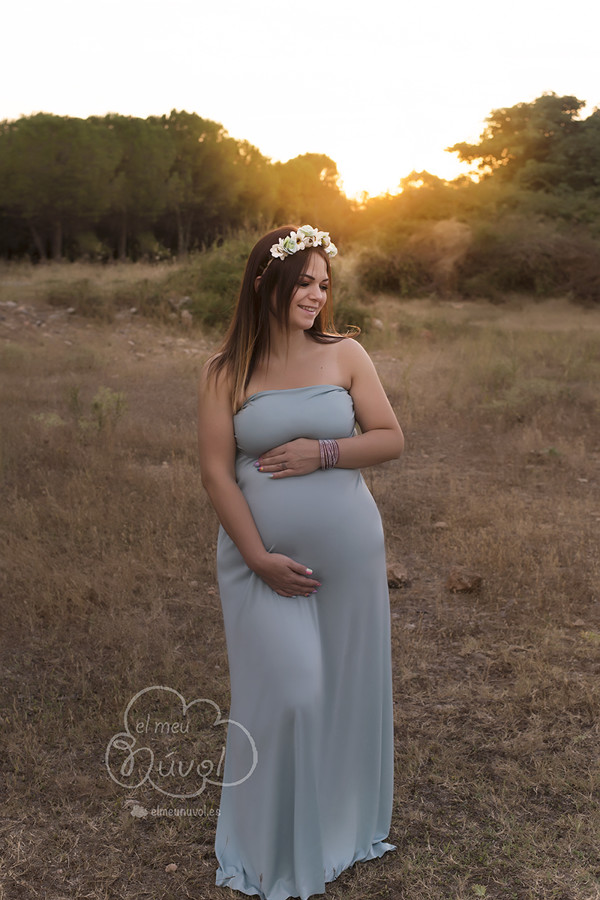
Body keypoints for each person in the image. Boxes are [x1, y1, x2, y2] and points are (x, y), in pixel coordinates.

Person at [197, 224, 404, 900]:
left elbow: (390, 437)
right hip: (262, 561)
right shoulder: (225, 371)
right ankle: (267, 845)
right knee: (290, 693)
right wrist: (256, 556)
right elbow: (216, 474)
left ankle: (339, 828)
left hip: (347, 554)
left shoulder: (345, 354)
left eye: (323, 283)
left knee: (343, 691)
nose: (315, 294)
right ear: (265, 281)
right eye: (303, 281)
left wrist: (324, 452)